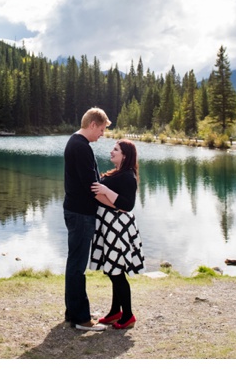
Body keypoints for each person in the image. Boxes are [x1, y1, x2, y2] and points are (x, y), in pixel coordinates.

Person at [63, 107, 111, 331]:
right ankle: (82, 319)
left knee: (74, 263)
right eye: (101, 130)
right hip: (81, 213)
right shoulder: (81, 147)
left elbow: (92, 179)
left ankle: (72, 312)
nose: (101, 134)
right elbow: (92, 186)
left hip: (75, 210)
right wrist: (116, 204)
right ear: (92, 124)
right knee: (77, 266)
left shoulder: (76, 142)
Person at [89, 138, 144, 330]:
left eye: (116, 149)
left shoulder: (128, 176)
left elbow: (127, 205)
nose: (111, 151)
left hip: (117, 228)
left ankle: (128, 315)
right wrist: (107, 197)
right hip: (109, 225)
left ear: (125, 155)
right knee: (112, 269)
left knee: (117, 272)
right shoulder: (118, 173)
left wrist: (104, 192)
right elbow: (111, 201)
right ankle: (115, 312)